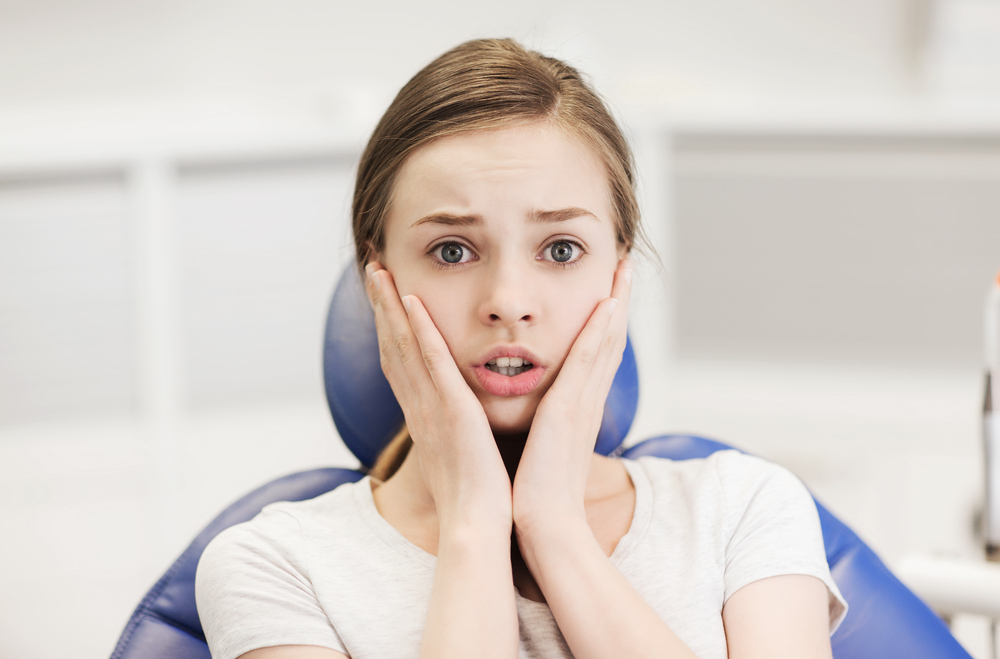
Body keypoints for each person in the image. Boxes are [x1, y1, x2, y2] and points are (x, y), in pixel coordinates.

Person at [195, 38, 847, 659]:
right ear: (379, 282)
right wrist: (474, 522)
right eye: (451, 250)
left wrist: (554, 527)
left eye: (561, 249)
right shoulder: (273, 564)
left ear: (618, 272)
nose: (508, 299)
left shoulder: (744, 506)